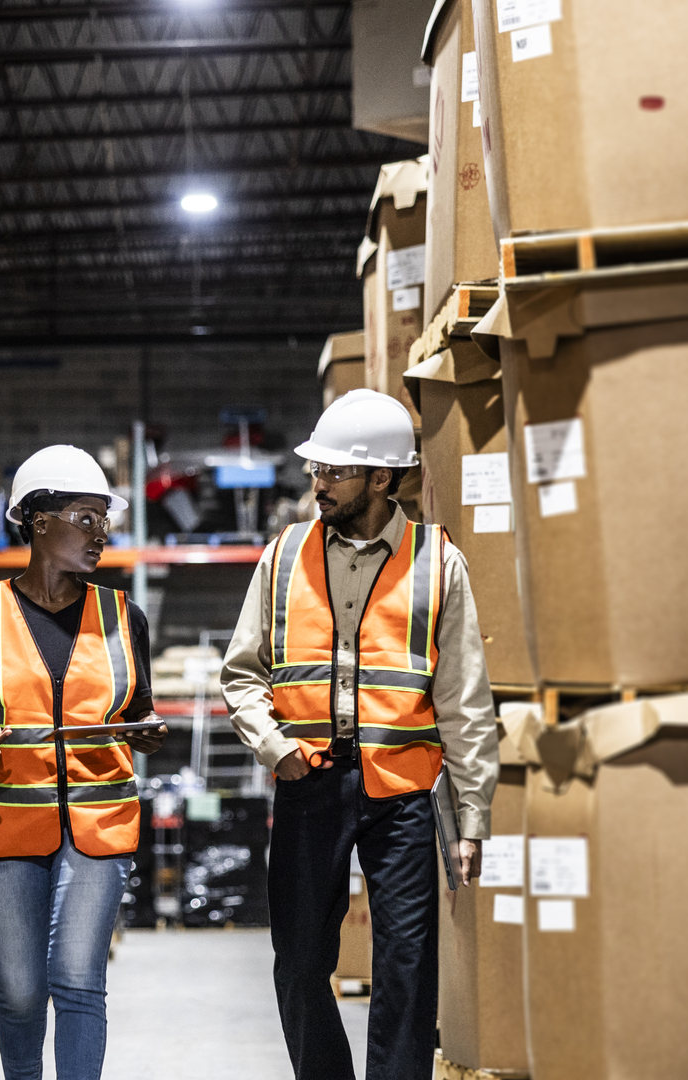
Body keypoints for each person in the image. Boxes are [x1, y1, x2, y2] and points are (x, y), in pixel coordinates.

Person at [221, 390, 501, 1080]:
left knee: (406, 964)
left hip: (402, 792)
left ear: (382, 478)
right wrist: (275, 747)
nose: (318, 484)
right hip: (307, 780)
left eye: (334, 473)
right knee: (298, 963)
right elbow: (241, 674)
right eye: (315, 471)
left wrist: (471, 816)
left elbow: (464, 701)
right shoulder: (284, 557)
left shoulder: (438, 563)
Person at [0, 444, 168, 1080]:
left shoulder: (125, 616)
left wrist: (145, 733)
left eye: (105, 520)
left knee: (75, 978)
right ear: (39, 522)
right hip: (8, 828)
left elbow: (137, 710)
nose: (102, 534)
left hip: (100, 827)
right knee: (18, 990)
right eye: (86, 518)